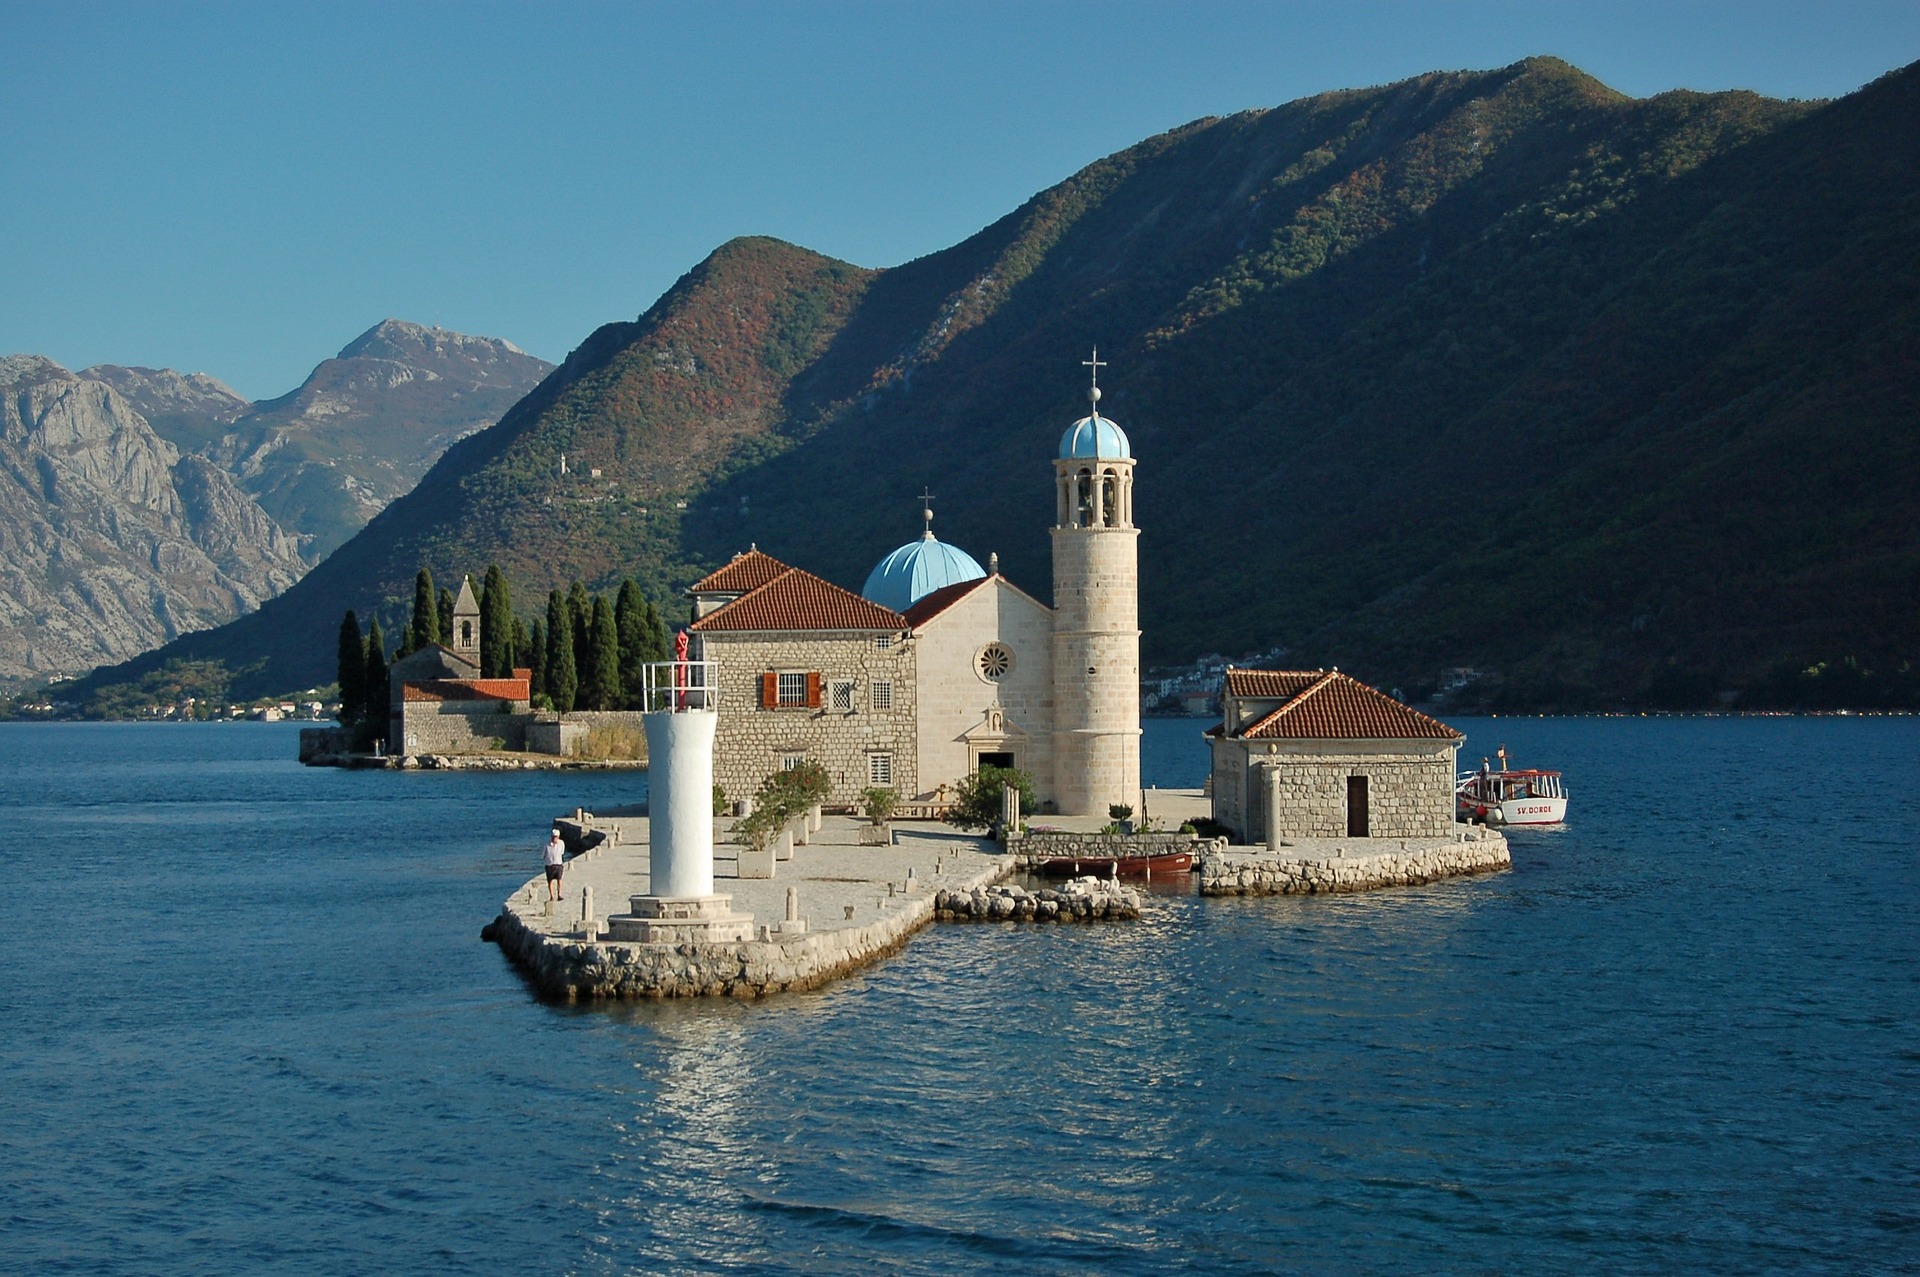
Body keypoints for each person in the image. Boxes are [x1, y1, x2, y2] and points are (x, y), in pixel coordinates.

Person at [544, 828, 566, 900]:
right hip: (550, 865)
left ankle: (559, 895)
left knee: (559, 879)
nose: (554, 838)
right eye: (553, 837)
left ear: (558, 837)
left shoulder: (561, 843)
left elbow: (562, 852)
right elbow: (543, 854)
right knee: (550, 881)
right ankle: (552, 896)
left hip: (559, 864)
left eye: (556, 837)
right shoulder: (547, 844)